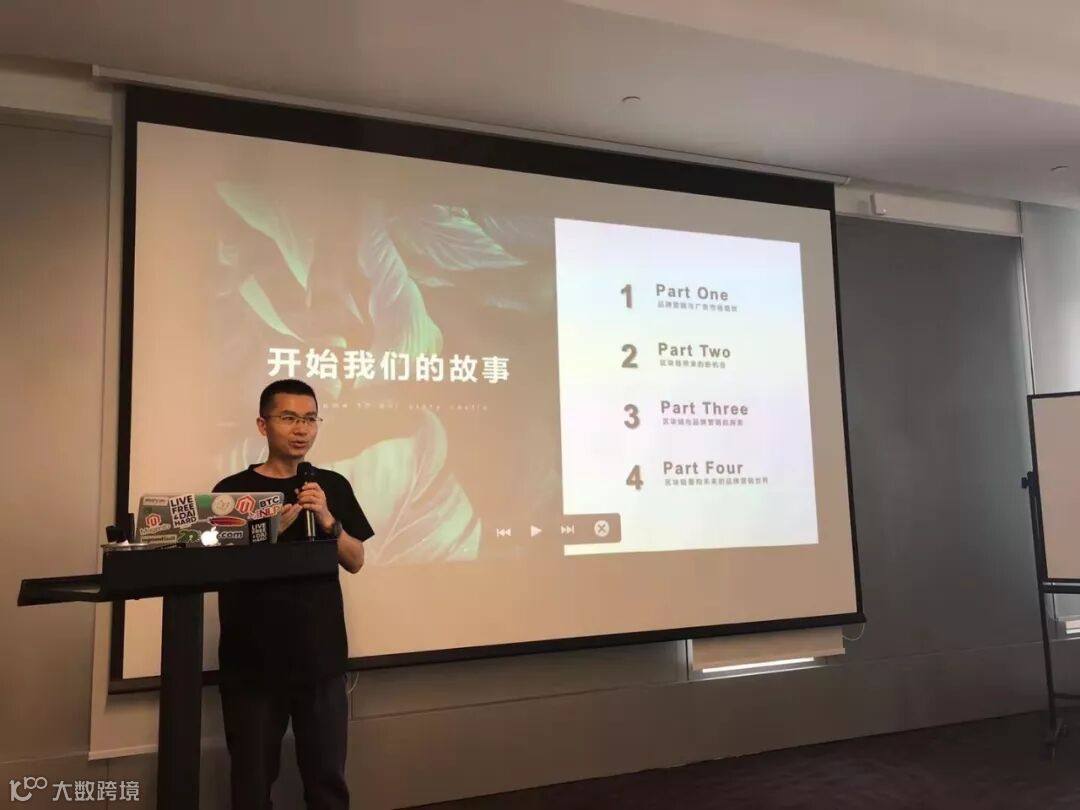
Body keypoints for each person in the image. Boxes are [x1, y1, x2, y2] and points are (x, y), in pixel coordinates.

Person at [214, 378, 372, 810]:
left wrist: (328, 521)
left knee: (327, 783)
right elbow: (216, 568)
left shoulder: (330, 486)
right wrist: (267, 533)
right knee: (251, 784)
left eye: (310, 419)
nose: (301, 429)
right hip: (252, 664)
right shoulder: (232, 491)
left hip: (320, 660)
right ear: (263, 425)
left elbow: (356, 559)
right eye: (289, 418)